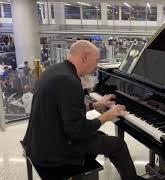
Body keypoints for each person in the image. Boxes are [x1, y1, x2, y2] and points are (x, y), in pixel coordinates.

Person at [23, 40, 145, 180]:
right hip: (53, 151)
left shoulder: (56, 70)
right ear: (84, 58)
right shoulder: (69, 81)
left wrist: (95, 105)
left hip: (40, 141)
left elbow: (64, 111)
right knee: (118, 144)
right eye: (97, 60)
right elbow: (77, 131)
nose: (97, 65)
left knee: (100, 135)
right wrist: (107, 115)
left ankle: (83, 171)